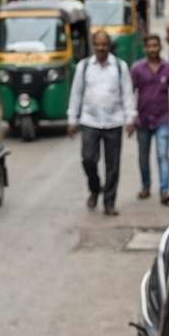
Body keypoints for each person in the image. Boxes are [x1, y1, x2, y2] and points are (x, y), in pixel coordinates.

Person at [67, 28, 135, 216]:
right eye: (97, 44)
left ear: (109, 46)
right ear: (93, 46)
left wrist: (130, 117)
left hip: (114, 121)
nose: (101, 48)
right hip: (90, 121)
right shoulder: (84, 66)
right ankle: (95, 188)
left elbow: (127, 93)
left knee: (113, 165)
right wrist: (72, 119)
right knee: (88, 160)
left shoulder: (120, 67)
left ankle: (109, 202)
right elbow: (76, 93)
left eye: (104, 44)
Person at [130, 32, 169, 203]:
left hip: (162, 119)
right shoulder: (137, 69)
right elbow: (130, 93)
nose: (152, 49)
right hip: (142, 120)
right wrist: (131, 118)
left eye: (155, 46)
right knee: (143, 157)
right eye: (149, 46)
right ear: (145, 48)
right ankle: (145, 186)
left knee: (162, 155)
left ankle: (164, 191)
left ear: (160, 47)